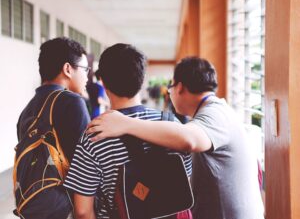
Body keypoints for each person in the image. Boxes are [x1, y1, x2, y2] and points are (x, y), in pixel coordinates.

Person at [87, 57, 265, 219]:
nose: (170, 93)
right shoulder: (217, 110)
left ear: (179, 87)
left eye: (170, 87)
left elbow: (189, 140)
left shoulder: (215, 113)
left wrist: (126, 123)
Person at [63, 43, 192, 219]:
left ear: (104, 82)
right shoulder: (172, 126)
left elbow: (83, 211)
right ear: (142, 79)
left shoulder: (94, 135)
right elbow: (186, 183)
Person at [17, 37, 91, 218]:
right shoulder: (72, 102)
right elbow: (86, 165)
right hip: (63, 207)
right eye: (85, 69)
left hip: (33, 203)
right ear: (67, 69)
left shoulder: (28, 109)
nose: (88, 76)